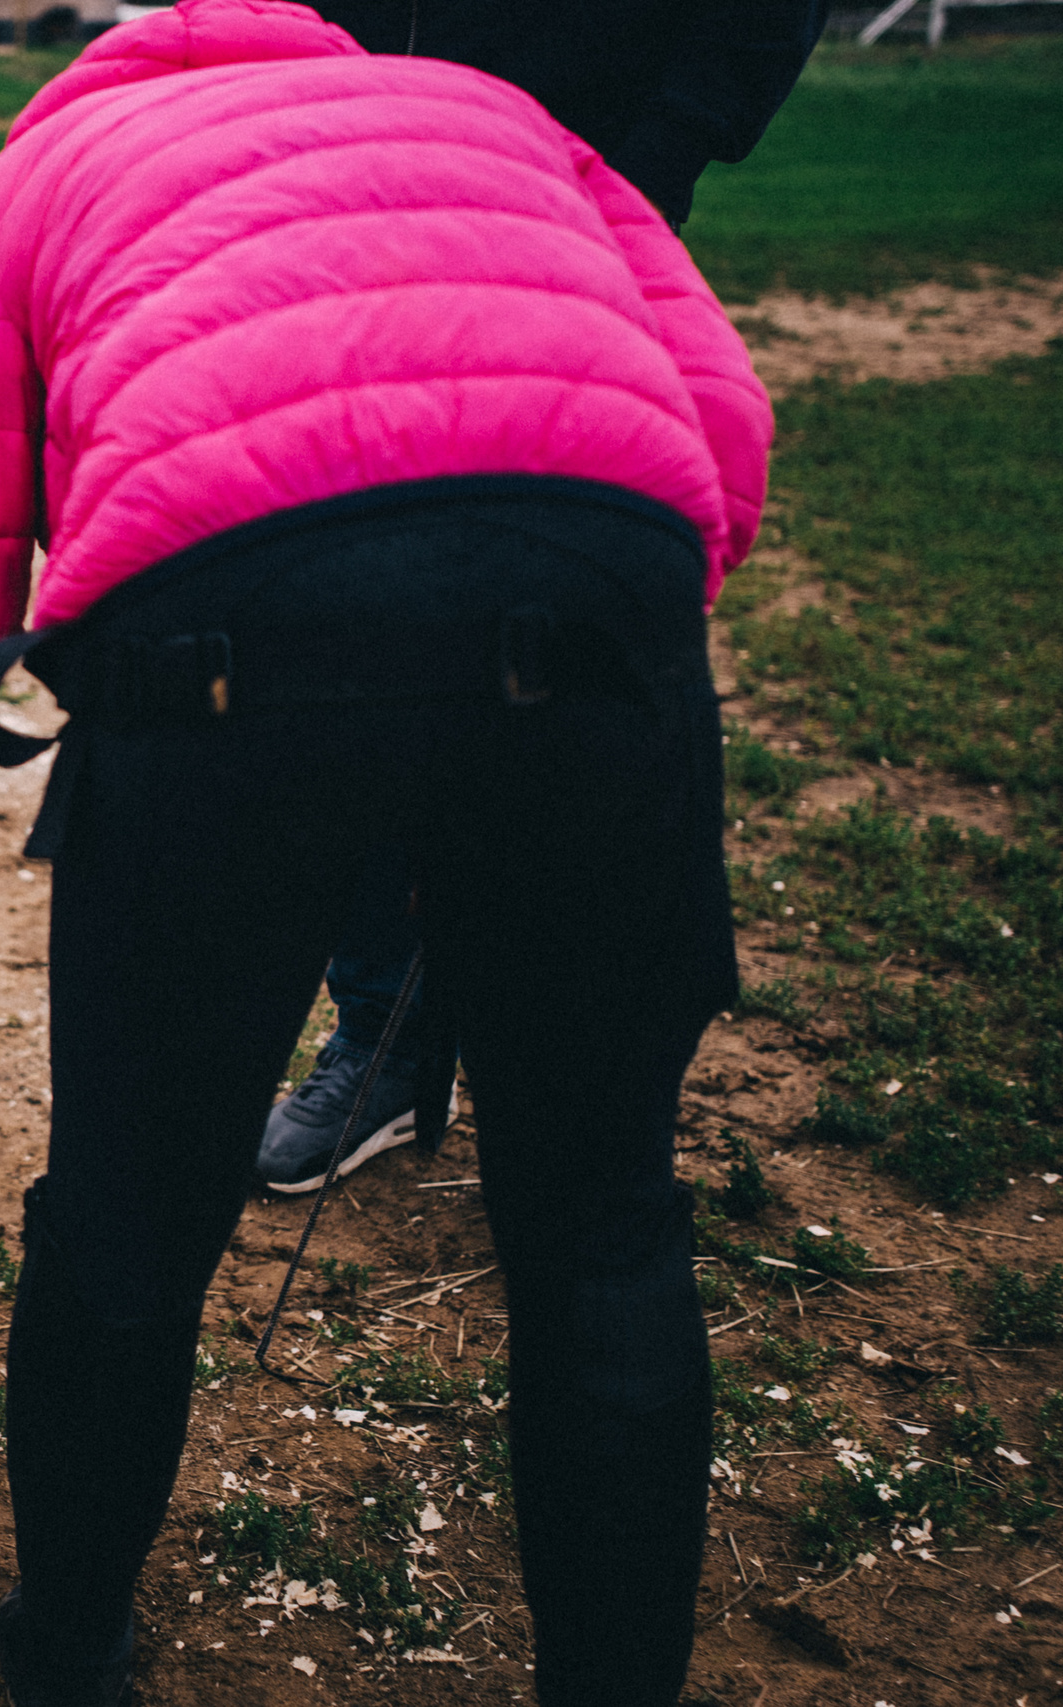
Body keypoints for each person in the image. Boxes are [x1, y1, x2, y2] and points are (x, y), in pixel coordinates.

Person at [0, 1, 769, 1701]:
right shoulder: (491, 111)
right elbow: (726, 430)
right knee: (603, 1224)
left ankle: (70, 1651)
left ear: (99, 66)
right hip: (602, 606)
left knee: (129, 1214)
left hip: (221, 643)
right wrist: (546, 690)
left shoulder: (17, 192)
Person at [257, 0, 831, 1195]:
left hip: (581, 197)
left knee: (563, 633)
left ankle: (567, 1076)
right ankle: (385, 1035)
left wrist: (660, 148)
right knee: (354, 614)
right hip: (351, 183)